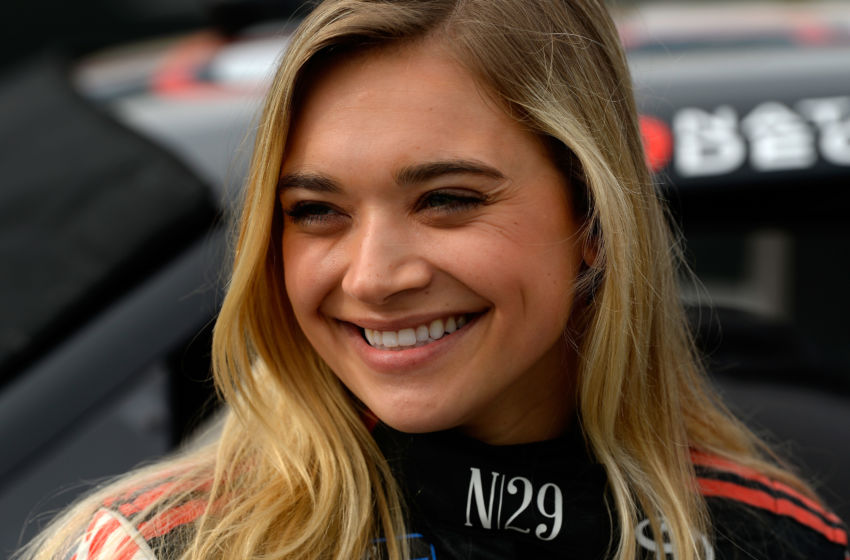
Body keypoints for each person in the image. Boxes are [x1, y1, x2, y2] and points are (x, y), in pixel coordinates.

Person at [16, 1, 849, 559]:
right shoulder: (161, 545)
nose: (375, 277)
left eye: (448, 200)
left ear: (594, 221)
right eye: (316, 211)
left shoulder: (772, 539)